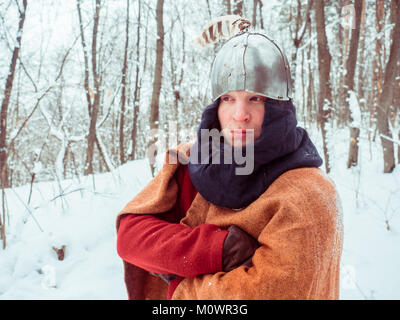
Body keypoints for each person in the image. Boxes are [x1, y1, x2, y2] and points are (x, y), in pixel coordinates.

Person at [116, 29, 343, 300]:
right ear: (216, 107)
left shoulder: (310, 194)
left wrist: (179, 285)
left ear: (278, 106)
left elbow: (270, 293)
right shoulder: (189, 161)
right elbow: (130, 235)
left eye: (255, 98)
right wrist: (218, 249)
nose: (239, 115)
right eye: (228, 99)